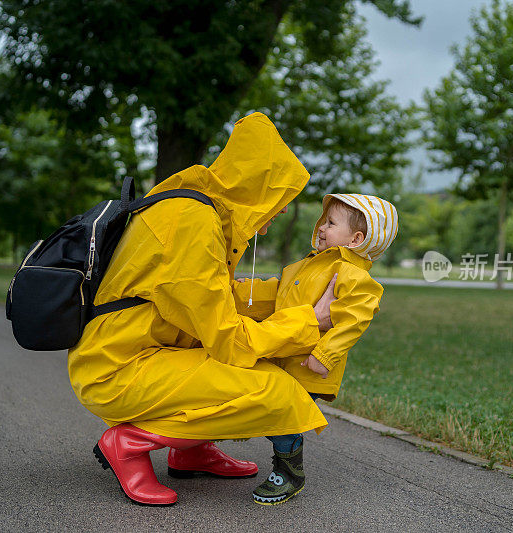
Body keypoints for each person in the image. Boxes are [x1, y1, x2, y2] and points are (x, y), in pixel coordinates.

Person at [67, 112, 337, 506]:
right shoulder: (191, 223)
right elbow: (228, 339)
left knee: (243, 370)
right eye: (279, 199)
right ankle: (127, 443)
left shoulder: (198, 211)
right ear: (255, 188)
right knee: (275, 390)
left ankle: (190, 450)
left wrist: (293, 291)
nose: (280, 211)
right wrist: (309, 319)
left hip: (136, 353)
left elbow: (212, 297)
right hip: (119, 369)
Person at [232, 193, 399, 505]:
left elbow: (352, 321)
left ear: (356, 239)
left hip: (309, 365)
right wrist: (241, 292)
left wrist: (324, 356)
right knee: (273, 410)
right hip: (285, 356)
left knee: (284, 416)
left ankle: (289, 474)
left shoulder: (352, 276)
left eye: (332, 223)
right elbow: (279, 292)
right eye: (324, 220)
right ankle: (276, 456)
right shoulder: (306, 265)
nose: (321, 227)